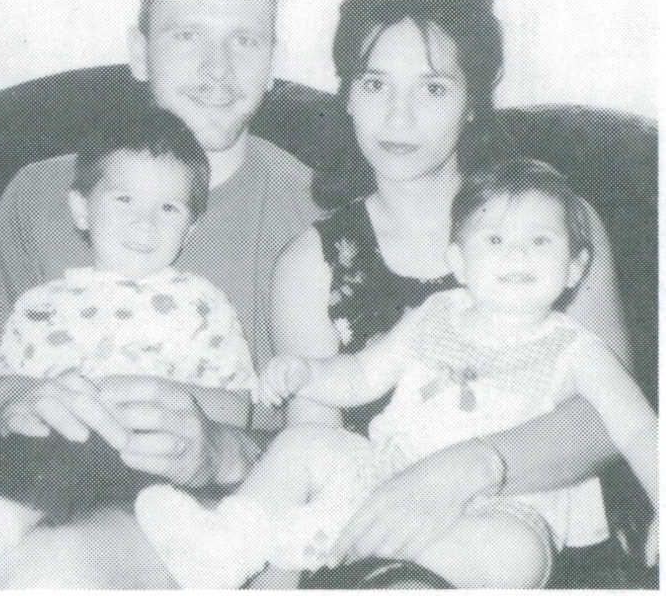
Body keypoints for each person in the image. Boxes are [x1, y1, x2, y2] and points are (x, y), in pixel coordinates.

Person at [268, 0, 642, 587]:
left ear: (472, 102)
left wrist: (468, 468)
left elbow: (608, 418)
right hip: (371, 542)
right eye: (375, 84)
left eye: (434, 88)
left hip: (527, 541)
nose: (399, 117)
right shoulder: (312, 264)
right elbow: (312, 454)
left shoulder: (553, 227)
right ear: (347, 96)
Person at [0, 0, 319, 589]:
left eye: (244, 40)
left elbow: (327, 436)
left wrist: (224, 453)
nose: (217, 69)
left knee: (48, 572)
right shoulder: (40, 192)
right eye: (187, 36)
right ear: (139, 50)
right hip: (41, 488)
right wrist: (4, 397)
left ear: (273, 60)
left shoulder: (314, 211)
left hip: (213, 527)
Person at [133, 159, 657, 589]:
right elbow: (362, 377)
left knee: (513, 555)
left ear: (575, 268)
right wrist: (307, 374)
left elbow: (638, 430)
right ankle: (224, 546)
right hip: (387, 473)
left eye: (539, 241)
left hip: (505, 509)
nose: (516, 253)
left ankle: (322, 541)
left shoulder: (578, 350)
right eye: (494, 240)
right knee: (302, 445)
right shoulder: (434, 315)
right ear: (459, 261)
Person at [0, 107, 262, 581]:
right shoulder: (38, 305)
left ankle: (6, 517)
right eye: (124, 199)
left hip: (145, 458)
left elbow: (238, 406)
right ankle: (0, 516)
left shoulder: (202, 304)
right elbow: (8, 401)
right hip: (50, 450)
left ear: (191, 228)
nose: (145, 223)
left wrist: (156, 399)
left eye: (169, 208)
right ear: (82, 209)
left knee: (140, 474)